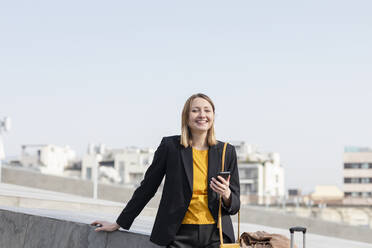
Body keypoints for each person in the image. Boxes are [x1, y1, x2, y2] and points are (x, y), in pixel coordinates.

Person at [91, 93, 240, 248]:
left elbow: (235, 205)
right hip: (178, 234)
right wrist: (119, 223)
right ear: (186, 117)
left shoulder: (226, 151)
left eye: (207, 110)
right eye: (195, 110)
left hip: (216, 236)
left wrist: (227, 194)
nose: (202, 115)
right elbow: (147, 187)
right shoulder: (170, 146)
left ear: (213, 116)